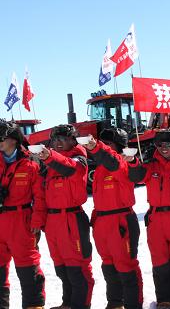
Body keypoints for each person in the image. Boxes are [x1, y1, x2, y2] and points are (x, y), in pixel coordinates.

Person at [129, 129, 170, 309]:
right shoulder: (152, 165)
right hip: (156, 218)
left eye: (168, 144)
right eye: (160, 145)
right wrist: (133, 162)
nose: (164, 148)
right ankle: (164, 299)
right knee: (159, 259)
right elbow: (138, 175)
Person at [32, 124, 94, 309]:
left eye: (63, 139)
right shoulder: (49, 165)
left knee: (77, 268)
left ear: (73, 141)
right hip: (52, 222)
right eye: (55, 139)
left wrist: (49, 156)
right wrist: (38, 222)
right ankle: (68, 303)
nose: (57, 143)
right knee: (61, 267)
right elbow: (41, 196)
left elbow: (70, 168)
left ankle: (81, 305)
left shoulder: (79, 159)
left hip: (72, 219)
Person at [81, 128, 143, 309]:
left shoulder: (121, 164)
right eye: (104, 143)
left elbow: (112, 161)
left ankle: (133, 305)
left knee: (126, 266)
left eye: (109, 144)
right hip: (101, 222)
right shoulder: (100, 168)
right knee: (108, 265)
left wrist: (95, 146)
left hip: (121, 221)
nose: (105, 147)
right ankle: (115, 303)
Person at [0, 120, 45, 309]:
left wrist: (37, 220)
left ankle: (34, 306)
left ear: (14, 139)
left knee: (28, 269)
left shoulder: (30, 161)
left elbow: (40, 195)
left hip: (22, 221)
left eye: (1, 137)